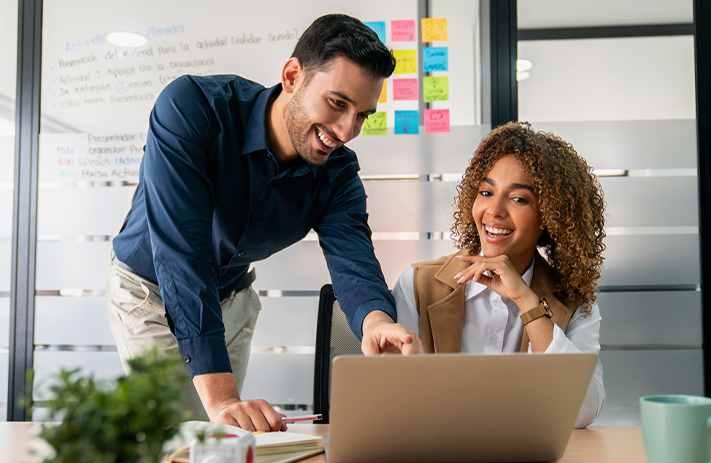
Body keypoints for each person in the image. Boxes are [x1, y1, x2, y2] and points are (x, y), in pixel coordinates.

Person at [105, 13, 422, 433]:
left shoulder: (338, 172)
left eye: (362, 115)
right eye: (337, 103)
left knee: (223, 440)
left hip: (232, 298)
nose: (347, 129)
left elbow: (354, 261)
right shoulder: (193, 109)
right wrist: (221, 397)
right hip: (150, 292)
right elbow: (182, 255)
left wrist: (376, 321)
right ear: (293, 76)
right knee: (177, 438)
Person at [392, 122, 606, 428]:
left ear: (551, 215)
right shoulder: (418, 285)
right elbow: (396, 400)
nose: (494, 210)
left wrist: (527, 302)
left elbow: (583, 411)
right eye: (486, 191)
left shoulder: (573, 302)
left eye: (518, 199)